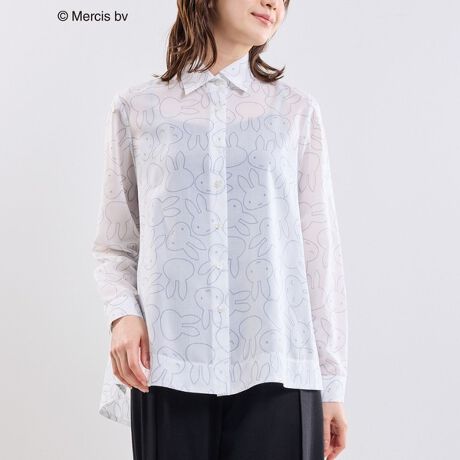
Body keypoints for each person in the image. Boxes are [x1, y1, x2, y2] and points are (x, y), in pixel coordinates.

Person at [92, 0, 349, 459]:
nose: (274, 3)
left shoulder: (295, 112)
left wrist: (331, 384)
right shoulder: (137, 109)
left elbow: (319, 253)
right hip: (169, 364)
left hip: (278, 365)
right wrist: (123, 315)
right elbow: (115, 243)